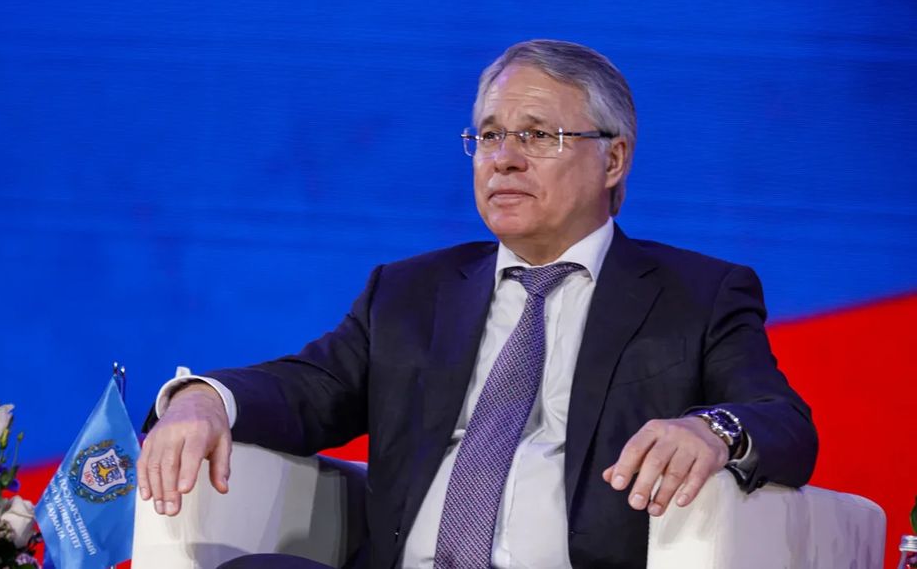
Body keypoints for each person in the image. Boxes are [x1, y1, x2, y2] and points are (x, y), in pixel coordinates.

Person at [137, 39, 818, 568]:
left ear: (613, 161)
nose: (504, 158)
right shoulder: (410, 292)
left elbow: (782, 421)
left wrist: (711, 431)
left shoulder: (695, 295)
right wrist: (202, 400)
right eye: (489, 135)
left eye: (538, 135)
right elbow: (309, 388)